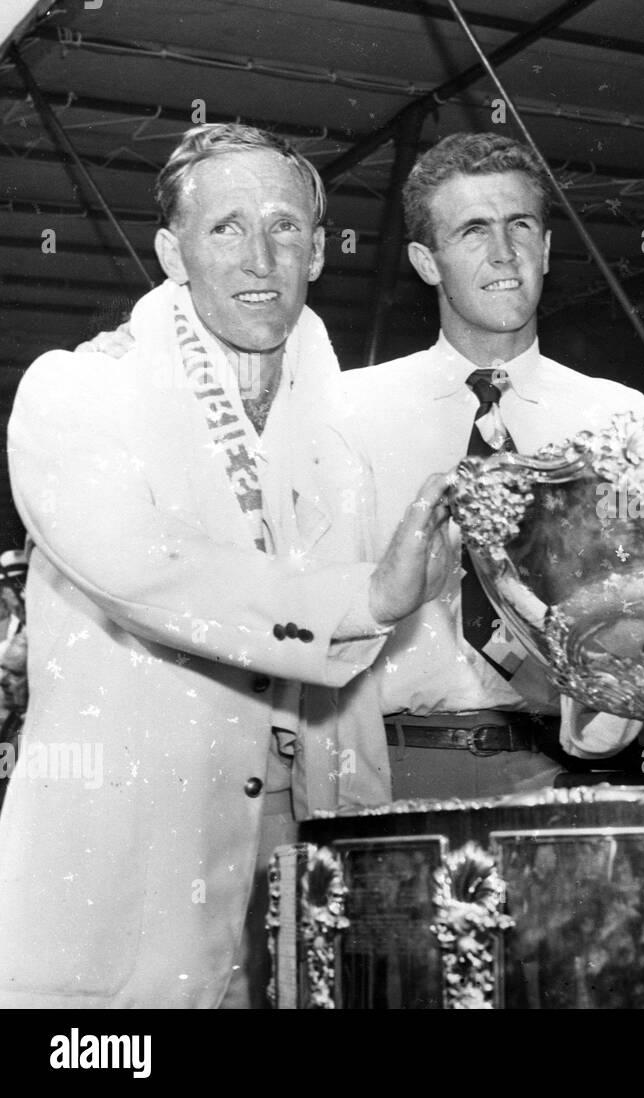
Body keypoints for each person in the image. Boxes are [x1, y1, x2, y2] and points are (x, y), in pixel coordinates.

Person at [0, 123, 451, 1008]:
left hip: (304, 838)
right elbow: (148, 573)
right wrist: (366, 597)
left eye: (285, 227)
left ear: (319, 251)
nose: (260, 256)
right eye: (226, 227)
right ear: (174, 252)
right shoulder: (79, 391)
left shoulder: (346, 424)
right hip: (134, 857)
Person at [339, 133, 644, 799]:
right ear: (427, 262)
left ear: (545, 246)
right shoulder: (347, 412)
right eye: (473, 231)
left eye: (520, 226)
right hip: (400, 767)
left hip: (574, 772)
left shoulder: (622, 417)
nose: (504, 253)